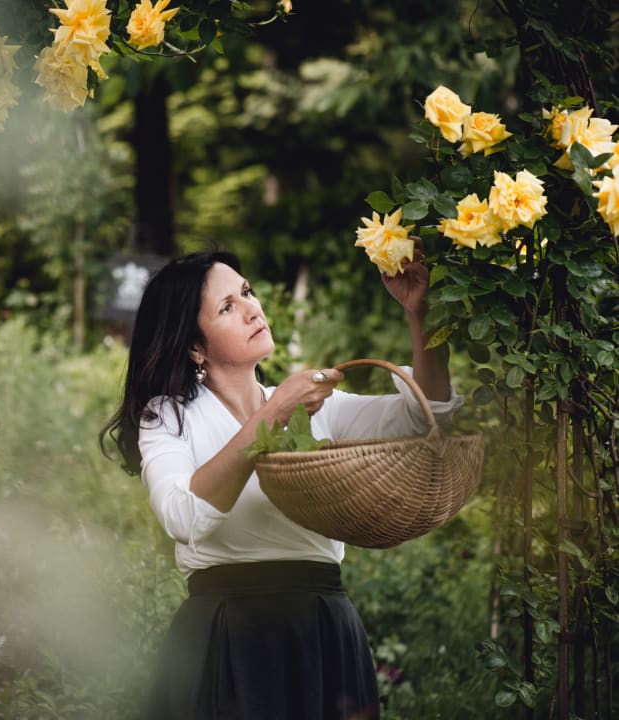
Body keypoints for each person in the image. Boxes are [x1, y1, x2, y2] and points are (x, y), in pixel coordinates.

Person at [100, 247, 462, 719]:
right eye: (227, 307)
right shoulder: (169, 417)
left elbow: (425, 416)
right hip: (230, 634)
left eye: (247, 292)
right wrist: (275, 411)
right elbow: (183, 515)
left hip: (323, 630)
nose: (252, 308)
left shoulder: (317, 408)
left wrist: (422, 314)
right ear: (194, 346)